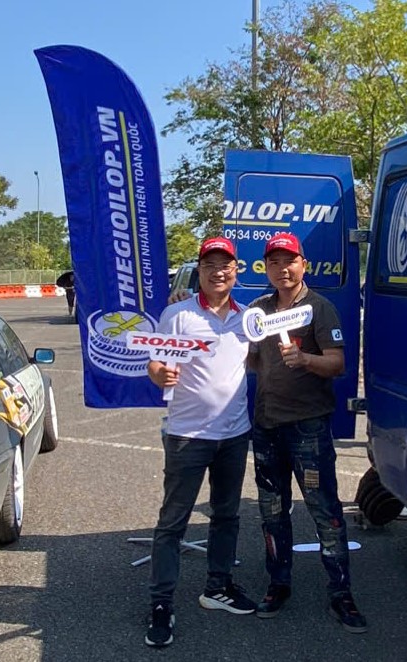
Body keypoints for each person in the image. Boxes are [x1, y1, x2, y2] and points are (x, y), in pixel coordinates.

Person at [248, 232, 367, 634]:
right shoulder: (258, 310)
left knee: (325, 512)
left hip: (308, 428)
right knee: (272, 512)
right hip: (266, 425)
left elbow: (337, 363)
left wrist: (304, 359)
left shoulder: (320, 308)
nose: (282, 269)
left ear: (304, 265)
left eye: (290, 261)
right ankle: (278, 584)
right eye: (274, 262)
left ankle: (341, 593)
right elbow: (250, 361)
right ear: (266, 268)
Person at [144, 236, 256, 648]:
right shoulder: (178, 313)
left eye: (225, 265)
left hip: (234, 434)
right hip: (187, 436)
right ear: (200, 271)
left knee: (227, 516)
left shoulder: (249, 317)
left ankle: (217, 587)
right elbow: (156, 360)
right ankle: (161, 603)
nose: (218, 272)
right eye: (210, 265)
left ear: (236, 271)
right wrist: (159, 373)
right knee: (172, 522)